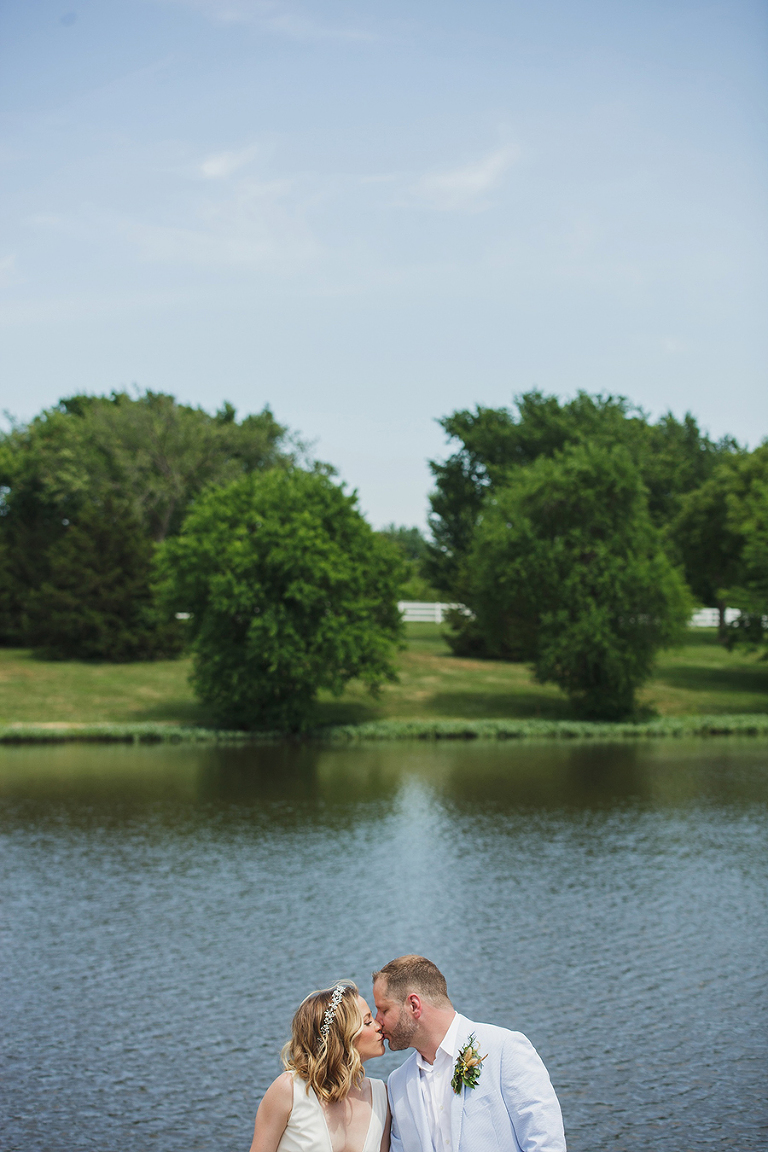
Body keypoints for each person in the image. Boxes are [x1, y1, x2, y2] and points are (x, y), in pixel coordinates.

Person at [373, 955, 566, 1152]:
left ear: (414, 1005)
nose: (377, 1021)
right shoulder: (398, 1083)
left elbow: (546, 1143)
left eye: (383, 1010)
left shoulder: (504, 1049)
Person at [249, 981, 391, 1152]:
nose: (379, 1026)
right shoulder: (290, 1090)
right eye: (368, 1022)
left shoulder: (381, 1095)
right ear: (341, 1036)